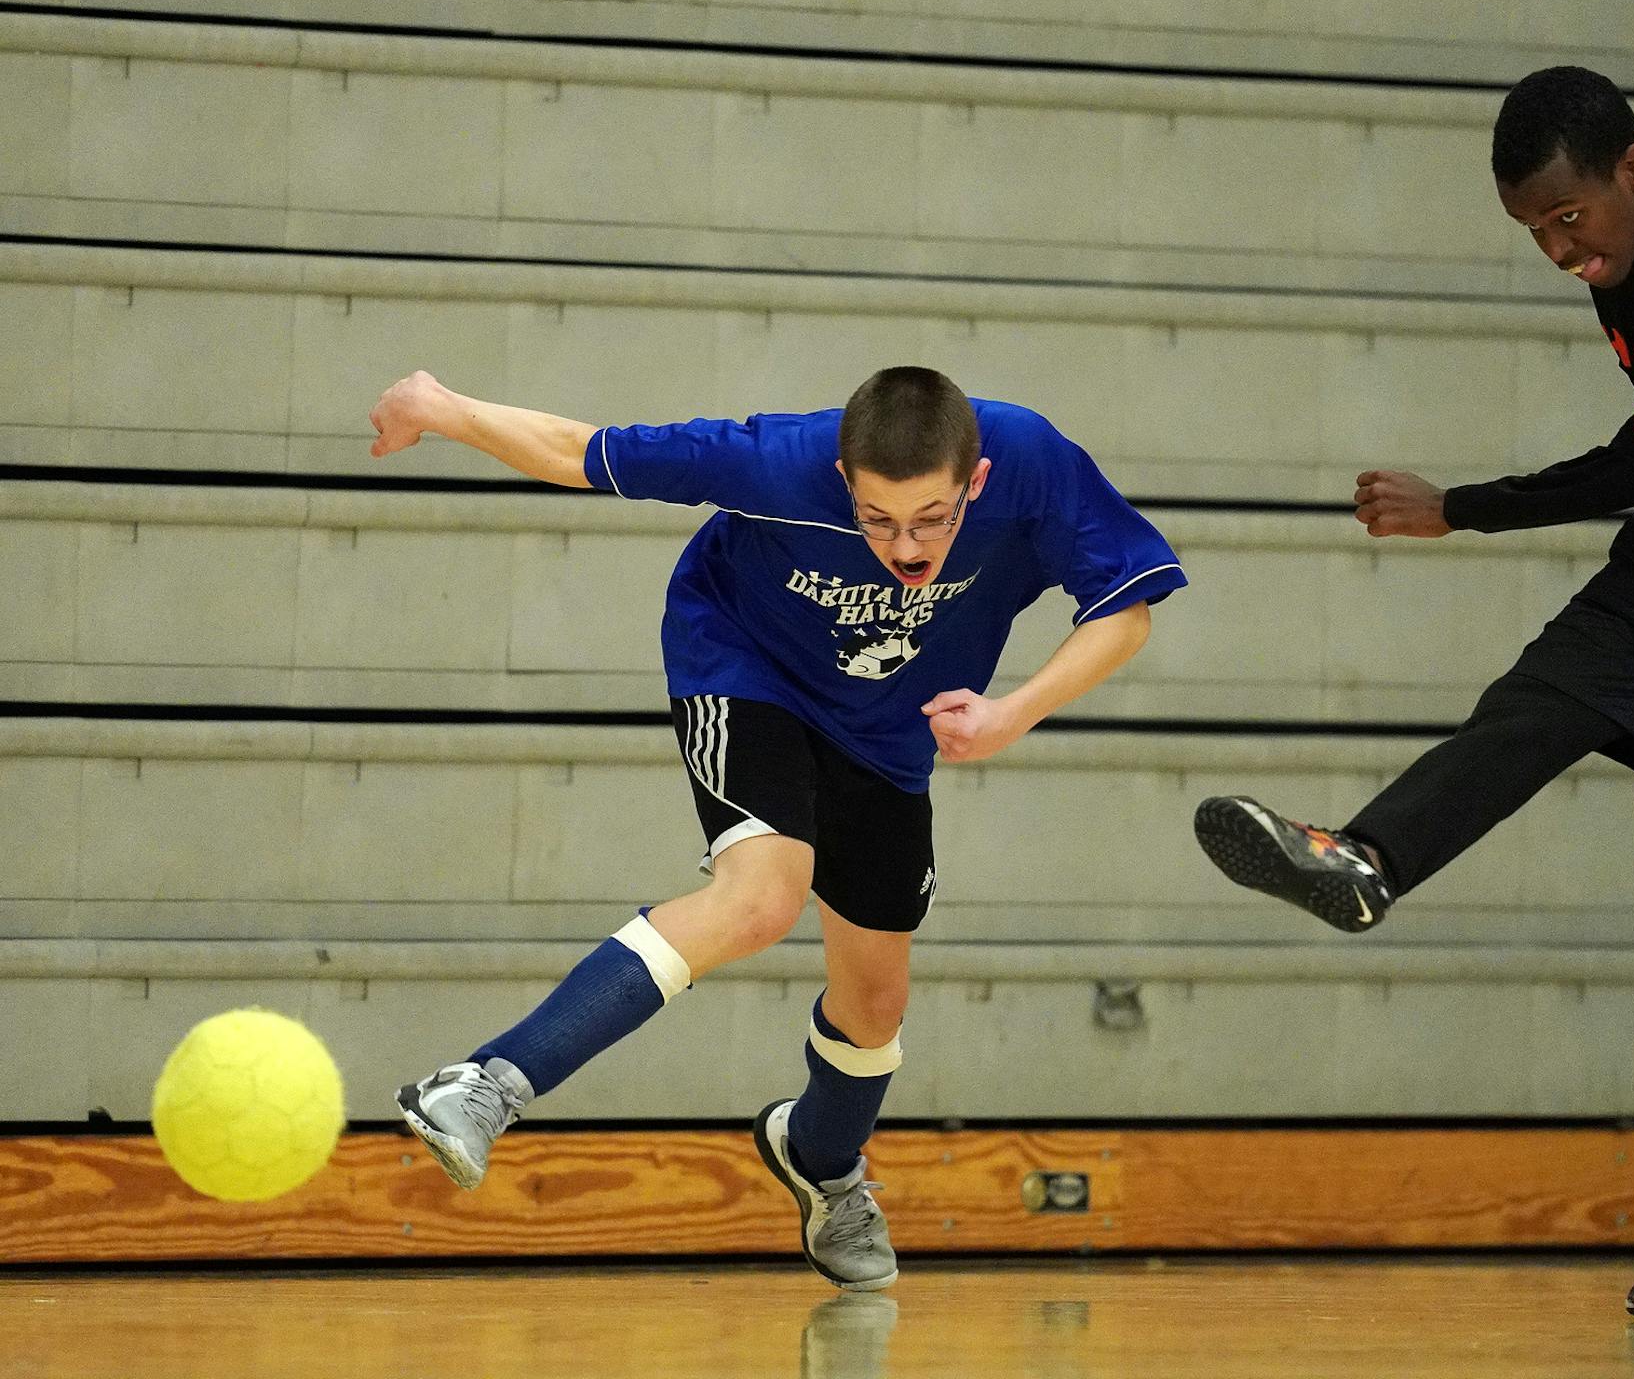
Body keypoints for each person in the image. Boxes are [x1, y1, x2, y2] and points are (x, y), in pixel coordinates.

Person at [1190, 65, 1634, 1315]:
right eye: (1533, 232)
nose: (1558, 250)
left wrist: (1455, 510)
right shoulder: (1617, 260)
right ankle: (1366, 858)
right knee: (1528, 706)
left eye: (1569, 219)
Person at [370, 365, 1185, 1291]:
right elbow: (577, 451)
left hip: (885, 731)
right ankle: (486, 1084)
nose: (907, 547)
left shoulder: (1032, 460)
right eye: (877, 519)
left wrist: (1014, 712)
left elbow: (1127, 607)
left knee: (875, 1002)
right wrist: (442, 409)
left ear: (978, 481)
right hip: (745, 667)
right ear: (842, 479)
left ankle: (821, 1160)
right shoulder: (776, 461)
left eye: (931, 518)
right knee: (761, 899)